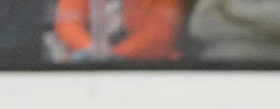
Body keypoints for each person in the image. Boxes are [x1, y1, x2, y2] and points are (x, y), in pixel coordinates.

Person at [53, 0, 183, 62]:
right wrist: (90, 47)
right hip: (86, 67)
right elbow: (67, 24)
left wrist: (114, 55)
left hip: (150, 71)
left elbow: (158, 36)